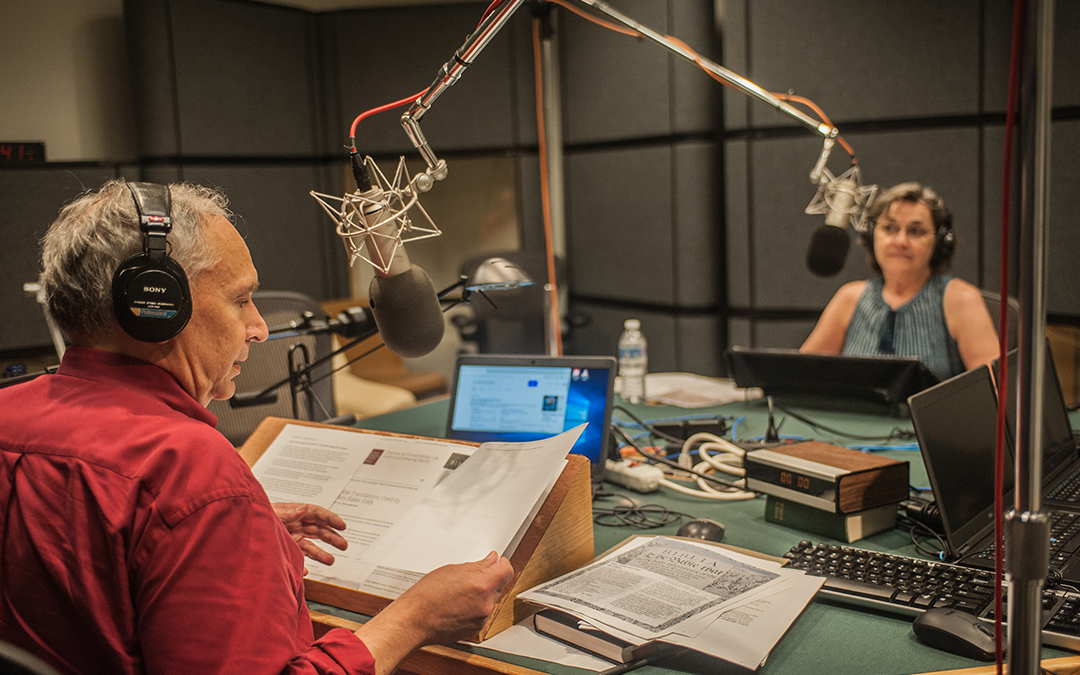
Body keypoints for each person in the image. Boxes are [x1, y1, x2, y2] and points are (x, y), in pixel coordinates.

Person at [0, 179, 514, 675]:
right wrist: (416, 617)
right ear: (156, 306)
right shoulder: (189, 471)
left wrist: (192, 537)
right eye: (241, 299)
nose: (260, 328)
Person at [800, 182, 998, 381]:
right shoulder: (849, 298)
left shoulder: (960, 299)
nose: (900, 241)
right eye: (890, 228)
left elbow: (994, 393)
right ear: (871, 236)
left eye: (916, 231)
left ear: (939, 242)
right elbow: (800, 377)